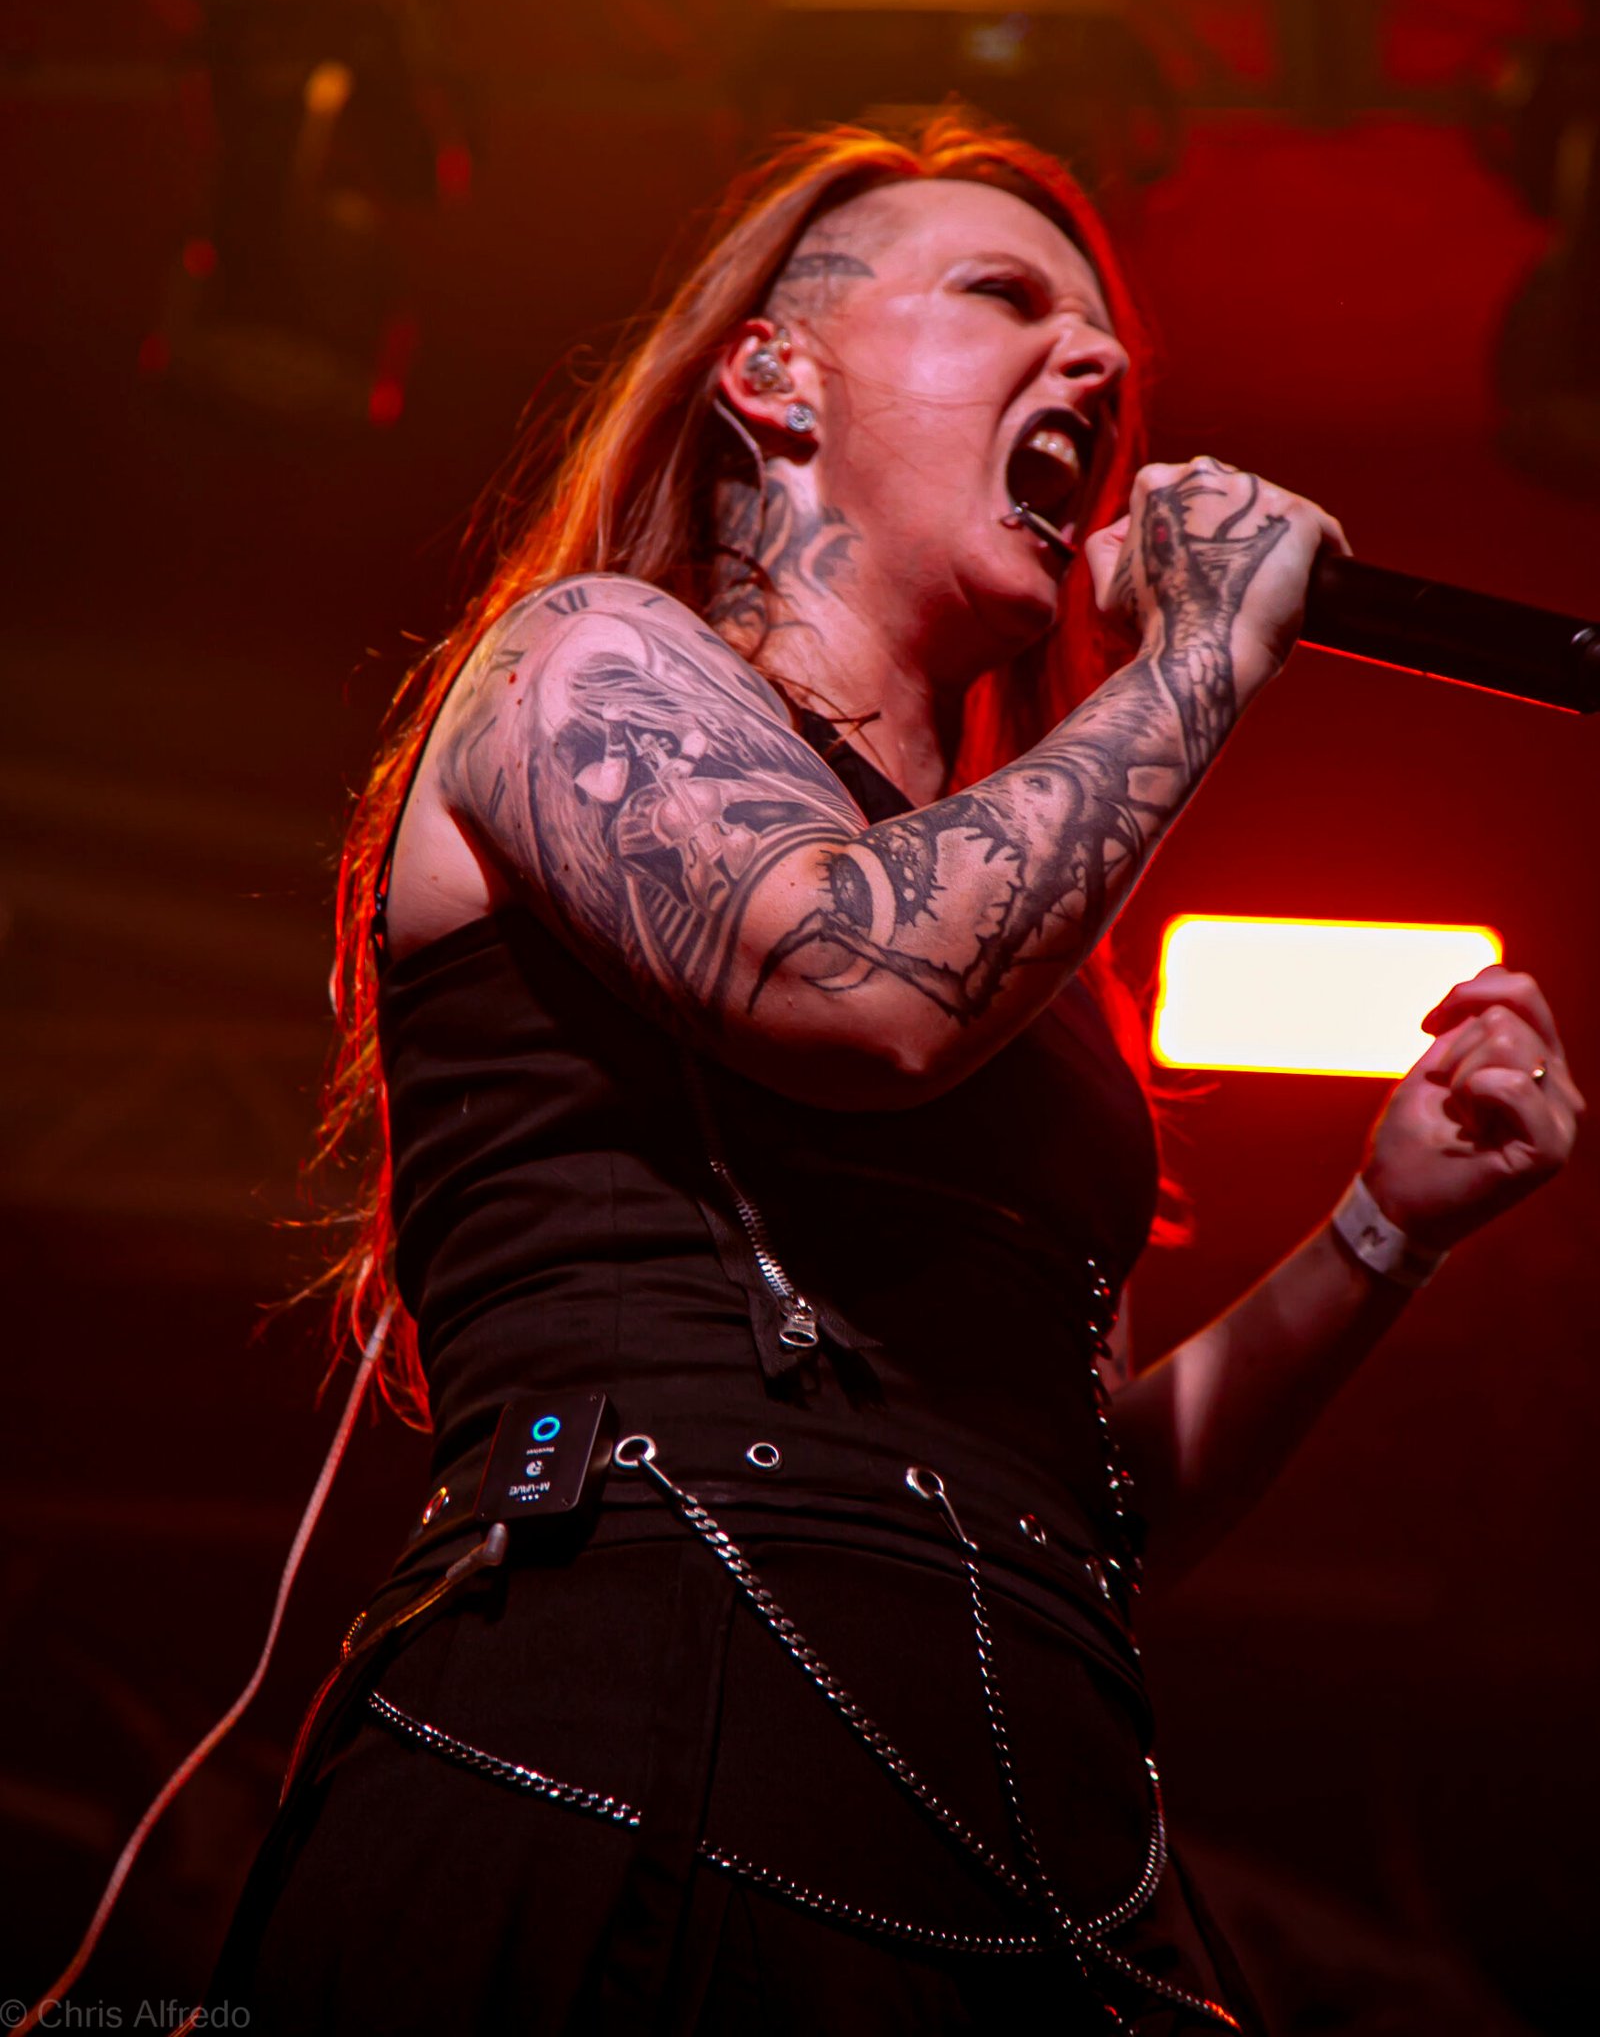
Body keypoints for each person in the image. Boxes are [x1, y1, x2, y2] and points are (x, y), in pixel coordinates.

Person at [211, 114, 1582, 2034]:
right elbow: (854, 987)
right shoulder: (581, 664)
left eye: (1108, 342)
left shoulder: (1041, 961)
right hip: (636, 1722)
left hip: (1025, 1816)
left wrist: (1380, 1233)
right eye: (1005, 297)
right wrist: (1198, 657)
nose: (1094, 364)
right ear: (772, 380)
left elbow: (1079, 1491)